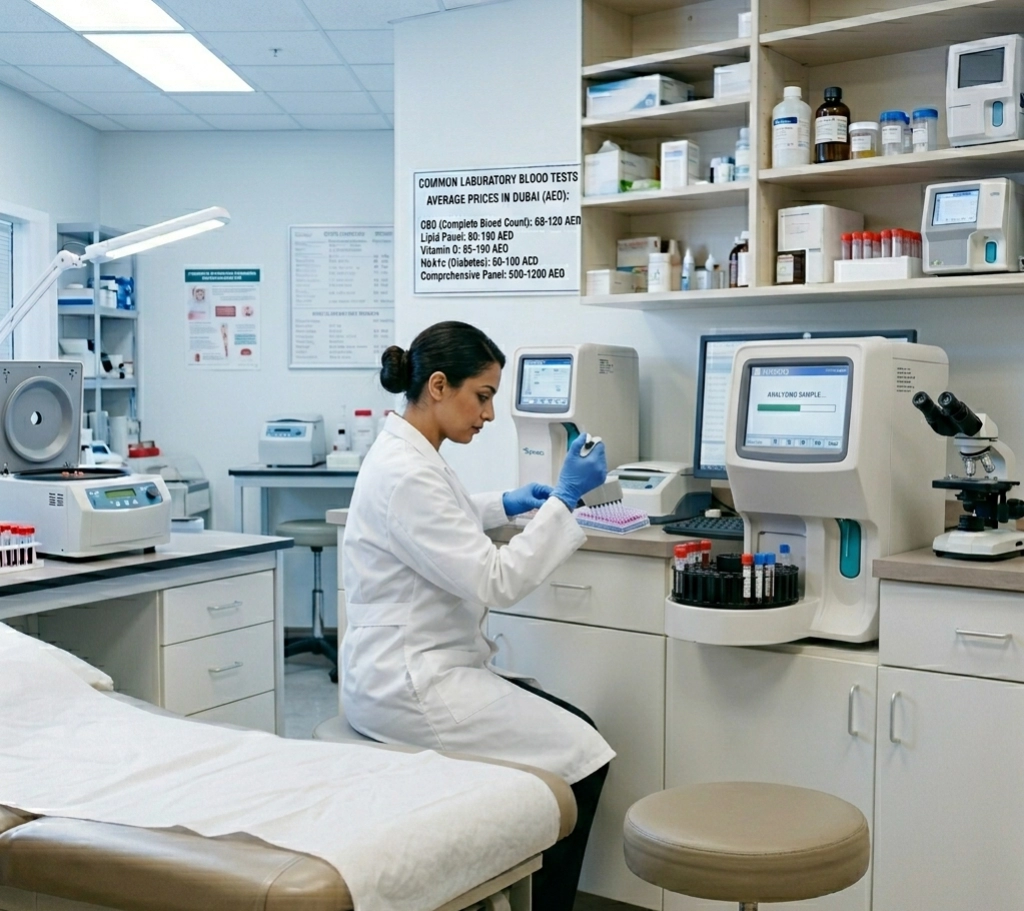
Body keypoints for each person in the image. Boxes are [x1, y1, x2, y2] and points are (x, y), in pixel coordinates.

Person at [342, 321, 615, 911]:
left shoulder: (407, 452)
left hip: (415, 666)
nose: (488, 415)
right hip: (411, 681)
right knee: (584, 756)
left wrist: (507, 503)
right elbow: (498, 578)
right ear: (438, 386)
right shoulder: (407, 471)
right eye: (483, 397)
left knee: (576, 724)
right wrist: (566, 500)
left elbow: (444, 516)